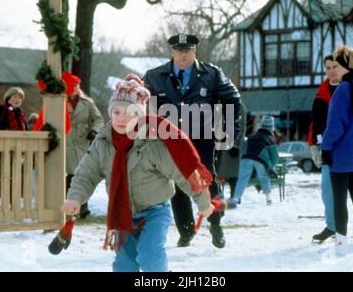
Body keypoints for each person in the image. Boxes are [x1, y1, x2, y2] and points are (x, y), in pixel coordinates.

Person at [61, 76, 214, 272]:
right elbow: (86, 174)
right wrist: (75, 198)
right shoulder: (103, 142)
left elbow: (183, 173)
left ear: (141, 115)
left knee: (150, 257)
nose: (122, 118)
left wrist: (203, 202)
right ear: (110, 113)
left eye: (129, 113)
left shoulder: (153, 143)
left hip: (155, 211)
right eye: (116, 112)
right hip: (122, 213)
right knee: (125, 264)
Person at [143, 33, 242, 248]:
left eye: (187, 50)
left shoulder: (212, 74)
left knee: (207, 180)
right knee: (177, 183)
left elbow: (233, 100)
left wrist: (232, 132)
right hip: (171, 139)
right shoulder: (154, 76)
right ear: (172, 52)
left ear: (194, 51)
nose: (183, 55)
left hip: (202, 136)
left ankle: (215, 224)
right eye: (179, 50)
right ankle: (186, 230)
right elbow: (137, 100)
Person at [309, 55, 353, 244]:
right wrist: (313, 144)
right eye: (328, 68)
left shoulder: (348, 88)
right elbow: (316, 123)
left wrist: (327, 147)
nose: (331, 71)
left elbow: (338, 124)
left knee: (352, 194)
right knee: (330, 189)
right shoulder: (324, 92)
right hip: (348, 148)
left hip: (338, 149)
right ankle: (335, 227)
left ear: (344, 67)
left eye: (335, 66)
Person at [66, 79, 104, 219]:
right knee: (69, 175)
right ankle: (73, 206)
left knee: (81, 174)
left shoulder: (87, 103)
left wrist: (94, 130)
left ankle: (82, 207)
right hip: (65, 142)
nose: (74, 88)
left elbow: (98, 119)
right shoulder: (59, 101)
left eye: (76, 85)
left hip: (82, 143)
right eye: (71, 85)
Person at [229, 116, 279, 207]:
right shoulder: (270, 139)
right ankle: (268, 199)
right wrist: (270, 167)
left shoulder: (252, 136)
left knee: (242, 179)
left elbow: (243, 150)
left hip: (246, 158)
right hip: (261, 161)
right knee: (264, 178)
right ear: (272, 127)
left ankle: (236, 198)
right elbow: (275, 157)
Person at [216, 104, 247, 198]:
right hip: (220, 143)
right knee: (218, 172)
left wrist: (236, 144)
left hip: (232, 144)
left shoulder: (239, 106)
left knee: (233, 173)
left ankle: (234, 196)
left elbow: (241, 126)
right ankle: (219, 195)